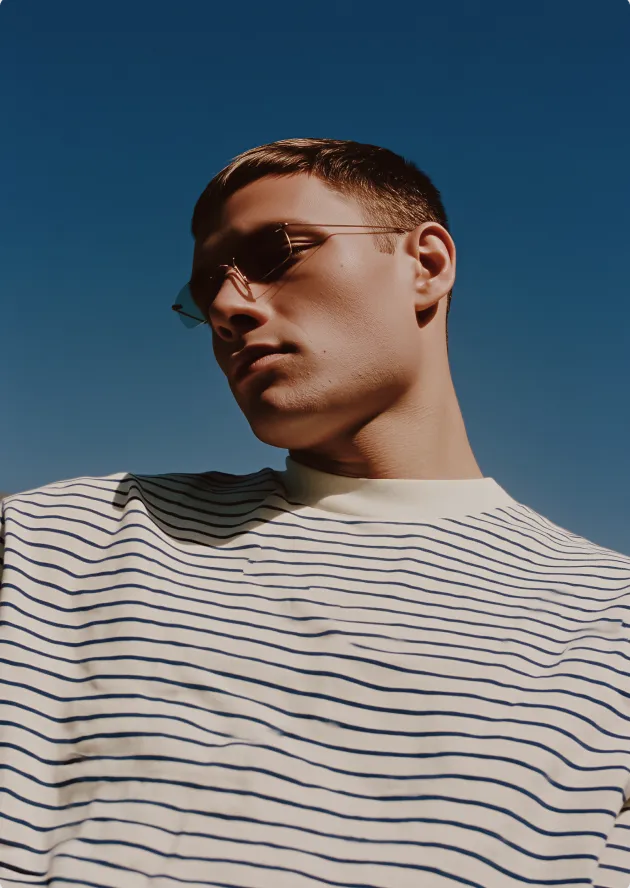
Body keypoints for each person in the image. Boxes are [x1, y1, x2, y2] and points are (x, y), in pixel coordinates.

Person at [1, 138, 629, 888]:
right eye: (206, 292)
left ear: (426, 266)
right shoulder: (64, 539)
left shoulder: (607, 626)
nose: (229, 308)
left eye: (275, 253)